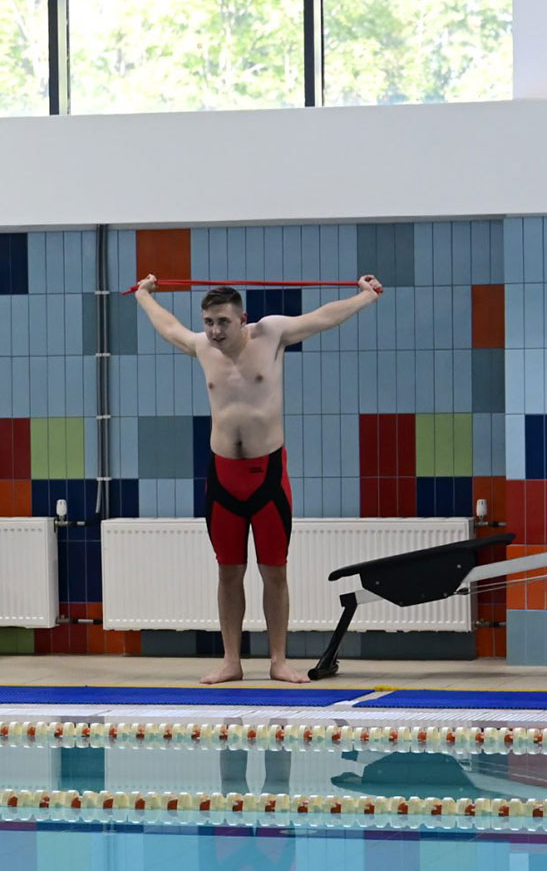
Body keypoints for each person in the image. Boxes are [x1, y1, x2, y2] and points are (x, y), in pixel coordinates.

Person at [134, 273, 384, 684]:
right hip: (223, 479)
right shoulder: (202, 347)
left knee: (275, 572)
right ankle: (231, 661)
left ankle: (278, 661)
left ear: (242, 319)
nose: (215, 331)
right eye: (209, 322)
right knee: (228, 572)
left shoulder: (271, 334)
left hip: (267, 478)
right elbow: (168, 326)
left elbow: (322, 318)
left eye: (223, 322)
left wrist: (364, 297)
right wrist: (144, 295)